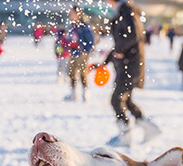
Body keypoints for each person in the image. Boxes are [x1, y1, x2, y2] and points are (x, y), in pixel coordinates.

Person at [98, 0, 160, 146]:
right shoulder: (124, 12)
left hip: (130, 66)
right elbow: (120, 43)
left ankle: (125, 135)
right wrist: (105, 62)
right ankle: (150, 128)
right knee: (126, 101)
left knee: (116, 100)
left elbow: (135, 36)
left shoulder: (128, 12)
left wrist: (120, 51)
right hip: (127, 65)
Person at [64, 6, 95, 102]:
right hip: (73, 52)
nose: (71, 15)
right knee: (71, 73)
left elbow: (90, 40)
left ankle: (85, 93)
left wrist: (86, 50)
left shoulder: (84, 27)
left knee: (83, 73)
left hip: (82, 53)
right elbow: (70, 38)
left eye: (73, 13)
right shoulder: (72, 26)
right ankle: (73, 93)